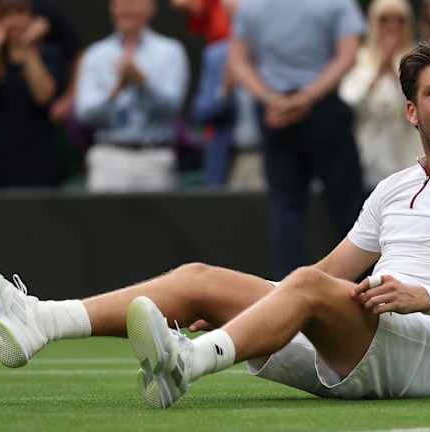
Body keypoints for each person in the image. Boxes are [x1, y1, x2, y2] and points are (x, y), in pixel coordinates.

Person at [0, 41, 430, 408]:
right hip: (370, 340)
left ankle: (188, 360)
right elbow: (329, 278)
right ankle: (37, 321)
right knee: (201, 278)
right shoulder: (394, 188)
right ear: (413, 112)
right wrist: (250, 311)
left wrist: (420, 296)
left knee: (304, 282)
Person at [228, 0, 366, 279]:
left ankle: (287, 296)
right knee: (347, 209)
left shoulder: (250, 6)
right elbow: (347, 56)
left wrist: (272, 100)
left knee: (286, 209)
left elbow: (238, 60)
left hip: (276, 113)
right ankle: (360, 292)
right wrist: (305, 99)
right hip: (321, 109)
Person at [75, 0, 189, 192]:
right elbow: (85, 114)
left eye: (134, 2)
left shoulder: (170, 51)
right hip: (109, 156)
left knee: (156, 223)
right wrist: (117, 89)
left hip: (155, 157)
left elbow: (173, 107)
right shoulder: (96, 54)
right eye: (121, 3)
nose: (126, 9)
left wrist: (142, 82)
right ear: (113, 8)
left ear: (151, 8)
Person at [0, 0, 67, 188]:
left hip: (39, 161)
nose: (15, 20)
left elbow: (44, 94)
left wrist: (27, 48)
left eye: (20, 12)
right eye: (8, 14)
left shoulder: (49, 53)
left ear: (31, 16)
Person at [340, 0, 422, 187]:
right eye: (384, 19)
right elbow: (349, 102)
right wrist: (377, 73)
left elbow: (421, 105)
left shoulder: (419, 58)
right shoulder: (360, 58)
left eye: (399, 20)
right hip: (368, 156)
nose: (392, 26)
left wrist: (394, 75)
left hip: (408, 158)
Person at [191, 0, 264, 189]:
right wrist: (225, 90)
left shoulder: (274, 54)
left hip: (270, 156)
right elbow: (200, 113)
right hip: (229, 160)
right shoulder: (216, 55)